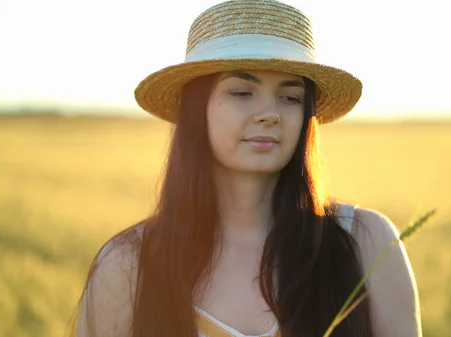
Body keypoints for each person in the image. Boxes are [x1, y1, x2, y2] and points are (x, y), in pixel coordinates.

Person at [72, 0, 422, 336]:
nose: (270, 113)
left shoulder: (366, 244)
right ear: (197, 107)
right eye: (242, 92)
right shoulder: (127, 265)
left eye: (290, 97)